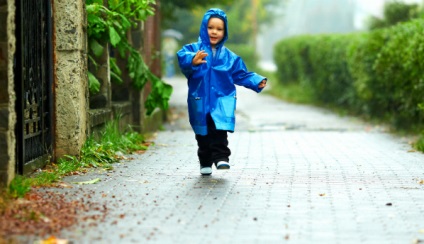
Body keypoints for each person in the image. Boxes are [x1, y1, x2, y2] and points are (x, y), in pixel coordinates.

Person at [176, 8, 267, 175]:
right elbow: (182, 58)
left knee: (219, 130)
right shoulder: (194, 49)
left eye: (219, 29)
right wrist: (193, 60)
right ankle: (205, 162)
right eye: (211, 27)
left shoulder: (229, 57)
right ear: (204, 27)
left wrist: (256, 81)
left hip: (221, 99)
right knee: (202, 133)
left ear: (224, 32)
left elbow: (240, 74)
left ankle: (221, 158)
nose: (214, 32)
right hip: (200, 98)